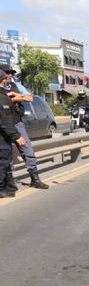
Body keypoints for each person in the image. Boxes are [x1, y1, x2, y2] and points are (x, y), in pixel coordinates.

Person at [0, 66, 48, 190]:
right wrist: (16, 98)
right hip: (4, 123)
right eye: (7, 73)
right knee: (6, 152)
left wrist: (15, 95)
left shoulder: (16, 85)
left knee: (27, 149)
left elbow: (30, 98)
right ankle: (8, 182)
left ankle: (35, 179)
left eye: (11, 73)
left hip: (17, 121)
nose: (10, 75)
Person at [0, 69, 28, 198]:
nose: (7, 80)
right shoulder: (2, 98)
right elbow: (5, 122)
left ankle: (7, 187)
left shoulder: (5, 95)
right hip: (2, 138)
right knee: (3, 161)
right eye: (6, 78)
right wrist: (17, 136)